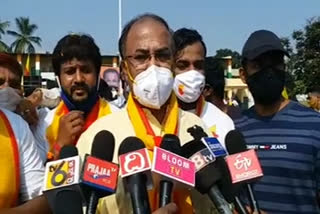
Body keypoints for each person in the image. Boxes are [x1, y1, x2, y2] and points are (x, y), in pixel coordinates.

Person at [77, 14, 216, 214]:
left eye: (162, 55)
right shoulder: (99, 137)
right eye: (141, 57)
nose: (153, 66)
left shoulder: (197, 128)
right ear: (124, 69)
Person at [235, 30, 320, 213]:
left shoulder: (314, 126)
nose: (269, 72)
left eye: (276, 64)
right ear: (243, 74)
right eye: (258, 65)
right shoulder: (234, 130)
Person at [33, 34, 118, 162]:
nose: (78, 79)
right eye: (70, 71)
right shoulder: (44, 124)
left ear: (97, 74)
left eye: (86, 70)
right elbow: (37, 179)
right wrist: (59, 146)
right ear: (58, 77)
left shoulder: (117, 118)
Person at [0, 53, 50, 213]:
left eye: (13, 84)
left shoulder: (18, 125)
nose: (5, 90)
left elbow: (41, 200)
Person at [172, 28, 234, 146]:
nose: (192, 73)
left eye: (198, 65)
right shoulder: (156, 119)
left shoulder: (222, 122)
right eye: (182, 65)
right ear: (170, 68)